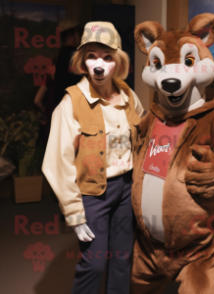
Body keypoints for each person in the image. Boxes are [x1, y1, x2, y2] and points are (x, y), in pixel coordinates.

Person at [42, 21, 144, 294]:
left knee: (122, 260)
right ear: (82, 61)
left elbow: (143, 137)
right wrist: (74, 214)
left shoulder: (128, 96)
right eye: (92, 56)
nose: (99, 65)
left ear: (119, 61)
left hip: (126, 189)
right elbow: (57, 163)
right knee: (95, 263)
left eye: (107, 57)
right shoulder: (70, 103)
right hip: (92, 194)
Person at [54, 19, 83, 105]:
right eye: (78, 34)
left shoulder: (59, 54)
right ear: (70, 37)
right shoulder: (74, 55)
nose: (81, 38)